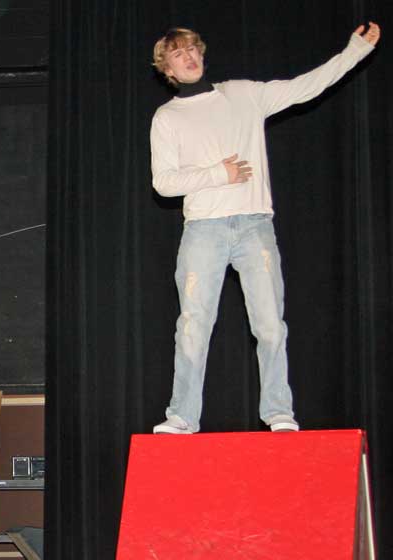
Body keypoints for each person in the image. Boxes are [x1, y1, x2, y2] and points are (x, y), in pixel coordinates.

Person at [150, 22, 381, 434]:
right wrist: (218, 174)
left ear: (202, 52)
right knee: (192, 326)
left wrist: (355, 51)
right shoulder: (167, 117)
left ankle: (278, 411)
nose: (188, 58)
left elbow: (304, 87)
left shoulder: (243, 94)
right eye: (178, 54)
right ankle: (182, 416)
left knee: (271, 324)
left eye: (192, 49)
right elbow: (163, 183)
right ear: (168, 69)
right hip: (203, 230)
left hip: (254, 225)